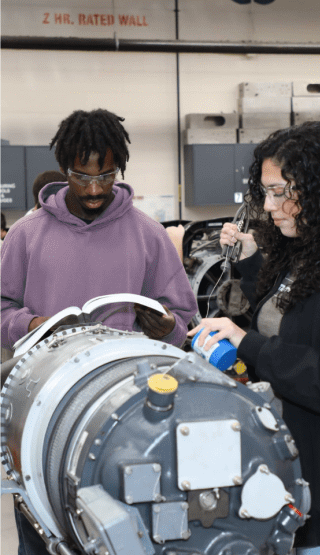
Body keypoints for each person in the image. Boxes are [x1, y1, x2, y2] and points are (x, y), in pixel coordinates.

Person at [0, 109, 199, 553]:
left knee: (121, 526)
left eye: (106, 176)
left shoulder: (148, 235)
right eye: (81, 176)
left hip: (126, 412)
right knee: (43, 528)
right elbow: (1, 308)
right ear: (63, 168)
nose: (93, 189)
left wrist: (165, 326)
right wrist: (34, 325)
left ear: (119, 168)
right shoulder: (26, 236)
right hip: (42, 406)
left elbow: (182, 321)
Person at [189, 121, 320, 553]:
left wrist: (246, 342)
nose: (269, 206)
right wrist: (255, 266)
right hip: (286, 483)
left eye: (280, 192)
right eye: (265, 192)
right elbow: (291, 321)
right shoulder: (304, 251)